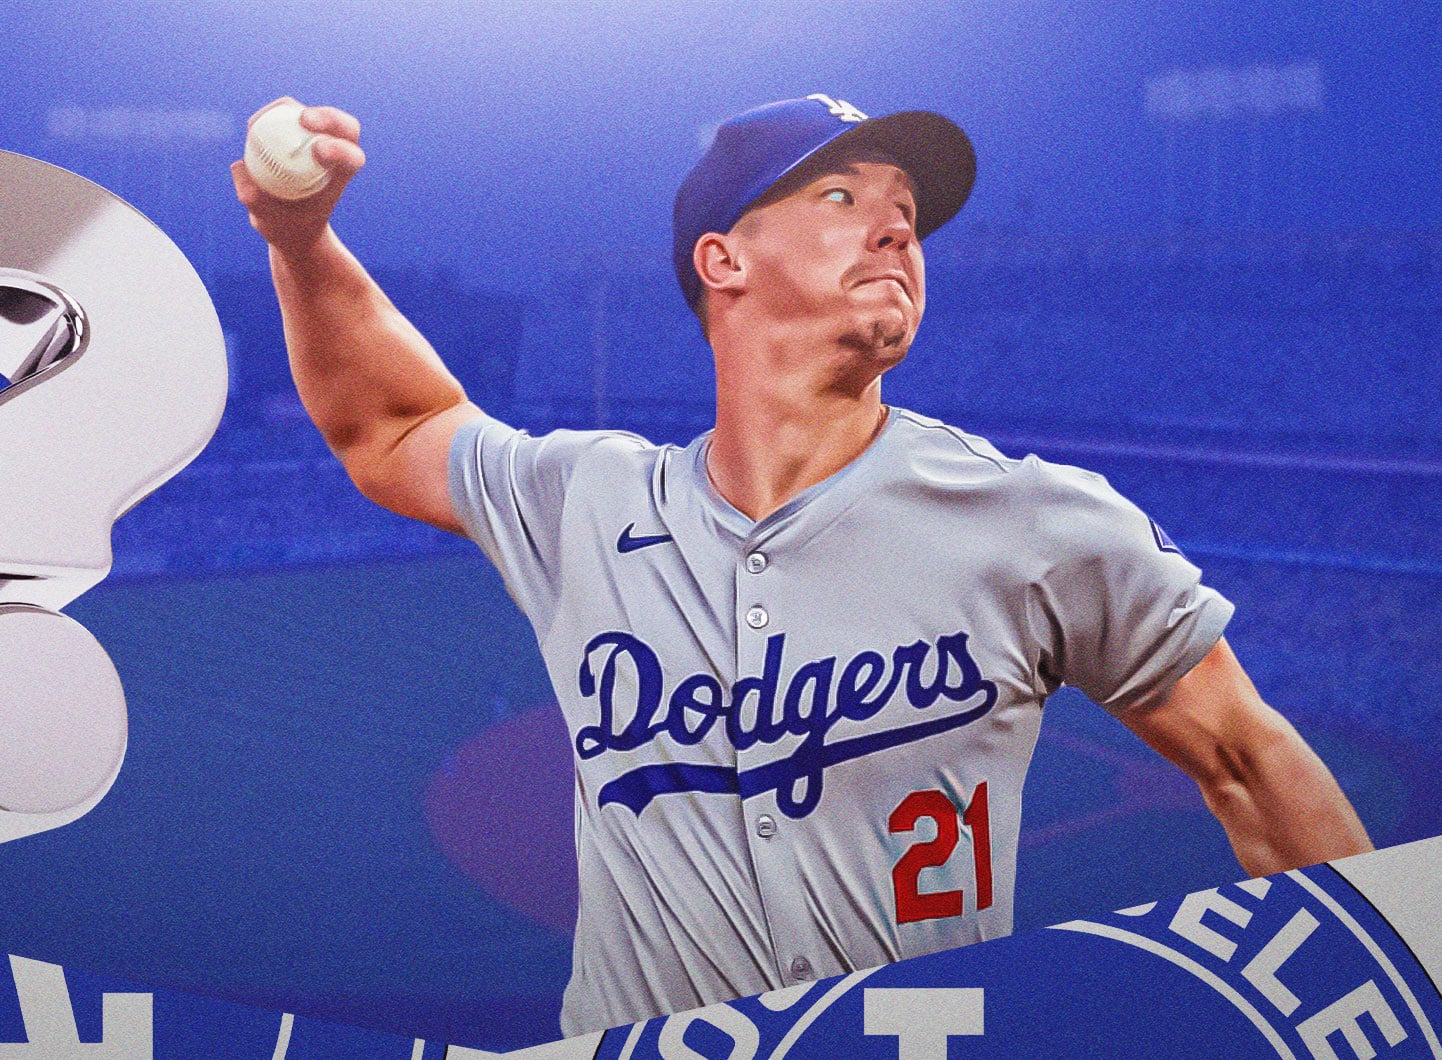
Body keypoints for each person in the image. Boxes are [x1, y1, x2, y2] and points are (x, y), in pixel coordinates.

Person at [230, 92, 1373, 1036]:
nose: (895, 230)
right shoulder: (590, 498)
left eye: (907, 212)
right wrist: (300, 238)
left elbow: (1250, 762)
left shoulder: (1038, 519)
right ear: (722, 258)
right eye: (843, 196)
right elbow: (390, 428)